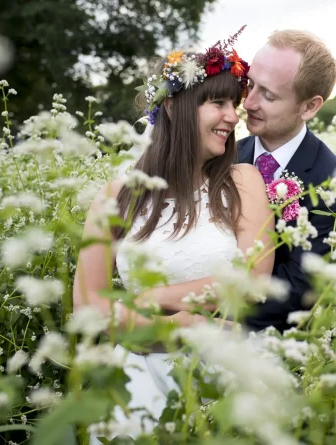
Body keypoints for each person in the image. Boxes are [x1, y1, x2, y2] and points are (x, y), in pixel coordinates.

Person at [73, 30, 273, 440]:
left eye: (233, 104)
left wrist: (154, 299)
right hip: (135, 380)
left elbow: (253, 282)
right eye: (217, 102)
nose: (233, 116)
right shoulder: (116, 194)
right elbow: (87, 306)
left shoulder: (243, 181)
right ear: (172, 105)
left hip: (223, 374)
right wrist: (175, 327)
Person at [237, 30, 336, 332]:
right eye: (249, 85)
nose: (249, 103)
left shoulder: (335, 182)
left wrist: (203, 324)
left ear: (310, 106)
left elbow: (296, 290)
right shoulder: (221, 156)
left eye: (267, 95)